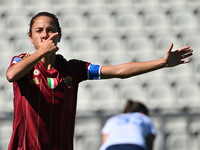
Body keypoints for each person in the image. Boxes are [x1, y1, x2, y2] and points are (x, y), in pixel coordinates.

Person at [5, 11, 192, 150]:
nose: (44, 35)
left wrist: (161, 63)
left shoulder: (73, 69)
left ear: (59, 36)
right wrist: (40, 53)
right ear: (31, 38)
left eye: (50, 30)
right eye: (38, 31)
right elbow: (11, 75)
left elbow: (118, 71)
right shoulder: (21, 62)